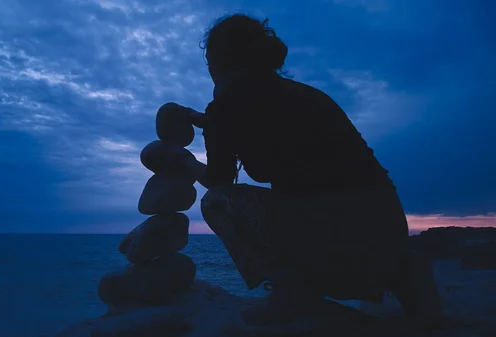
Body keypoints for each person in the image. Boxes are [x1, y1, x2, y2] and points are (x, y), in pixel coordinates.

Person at [177, 14, 443, 328]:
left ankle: (292, 293)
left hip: (336, 245)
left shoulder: (227, 106)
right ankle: (404, 274)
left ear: (222, 61)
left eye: (209, 61)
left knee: (217, 201)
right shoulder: (306, 95)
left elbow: (220, 179)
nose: (208, 70)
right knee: (327, 210)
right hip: (386, 231)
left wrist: (184, 161)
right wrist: (210, 121)